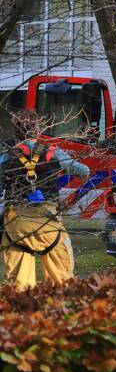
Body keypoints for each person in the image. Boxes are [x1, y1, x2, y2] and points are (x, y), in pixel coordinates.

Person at [0, 110, 89, 288]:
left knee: (20, 288)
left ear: (16, 130)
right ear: (38, 129)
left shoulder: (5, 156)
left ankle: (21, 312)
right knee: (63, 283)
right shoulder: (53, 153)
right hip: (48, 223)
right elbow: (84, 172)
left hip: (16, 225)